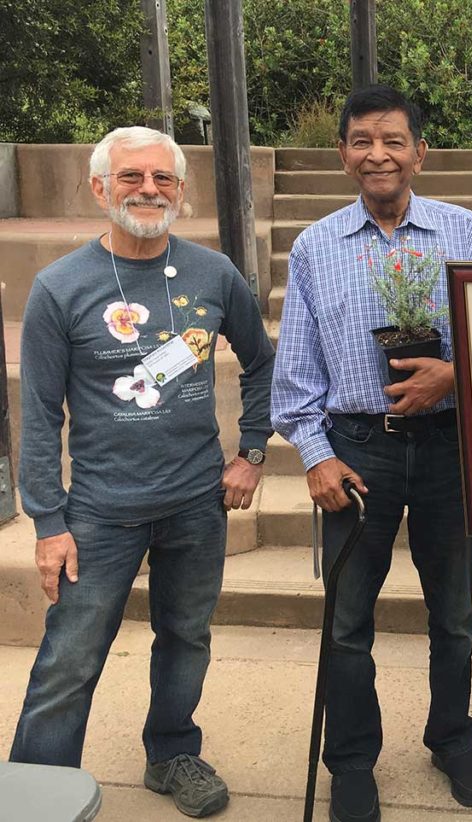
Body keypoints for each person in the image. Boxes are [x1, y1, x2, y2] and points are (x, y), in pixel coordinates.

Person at [10, 126, 275, 818]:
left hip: (196, 503)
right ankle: (38, 790)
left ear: (181, 192)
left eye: (162, 178)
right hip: (98, 512)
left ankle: (171, 751)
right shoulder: (59, 288)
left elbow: (262, 362)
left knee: (187, 637)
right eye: (131, 177)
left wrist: (251, 453)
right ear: (100, 188)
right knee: (68, 661)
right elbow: (38, 415)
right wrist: (48, 521)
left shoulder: (213, 274)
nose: (149, 190)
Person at [270, 84, 472, 822]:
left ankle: (451, 737)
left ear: (419, 152)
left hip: (446, 451)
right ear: (342, 154)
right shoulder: (314, 247)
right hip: (357, 450)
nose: (378, 154)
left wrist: (455, 376)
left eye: (394, 140)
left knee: (454, 614)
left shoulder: (465, 232)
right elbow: (296, 376)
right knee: (346, 621)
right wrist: (314, 454)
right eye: (362, 140)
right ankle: (352, 761)